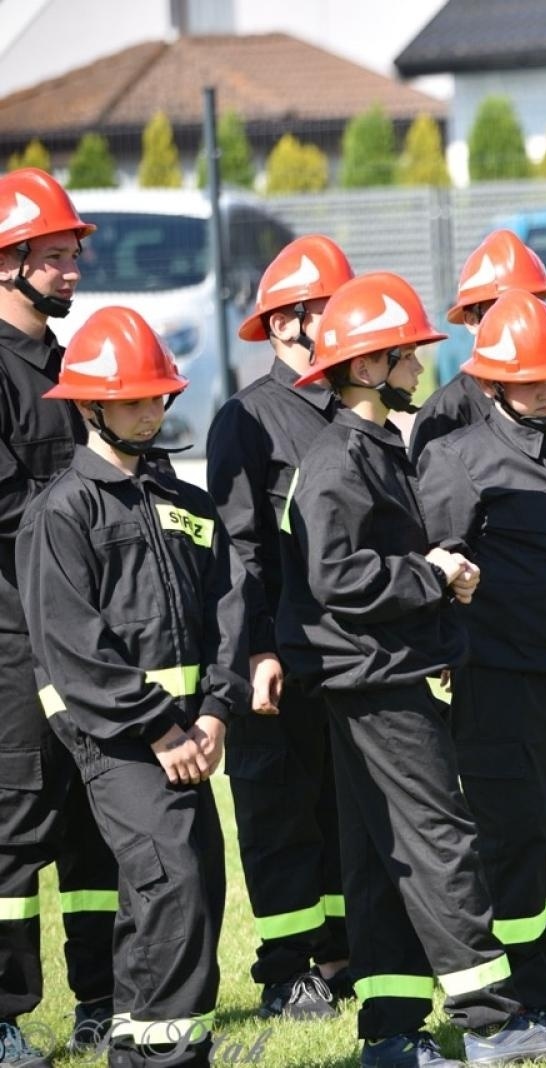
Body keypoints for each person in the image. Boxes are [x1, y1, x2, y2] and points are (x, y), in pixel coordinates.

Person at [276, 271, 546, 1066]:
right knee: (444, 841)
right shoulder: (342, 459)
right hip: (376, 680)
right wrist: (432, 575)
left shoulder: (370, 447)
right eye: (409, 354)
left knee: (385, 856)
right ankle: (494, 1024)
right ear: (372, 366)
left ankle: (389, 1033)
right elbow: (336, 577)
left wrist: (436, 577)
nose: (422, 365)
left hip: (375, 673)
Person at [18, 306, 247, 1068]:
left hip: (189, 734)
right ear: (90, 405)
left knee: (197, 885)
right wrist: (161, 727)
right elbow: (75, 645)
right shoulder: (62, 511)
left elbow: (226, 610)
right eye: (134, 399)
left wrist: (214, 711)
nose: (152, 411)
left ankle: (162, 1048)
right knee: (170, 878)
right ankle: (154, 1058)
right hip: (119, 737)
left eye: (158, 397)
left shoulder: (185, 503)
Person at [418, 291, 546, 1019]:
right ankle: (523, 988)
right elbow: (434, 575)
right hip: (505, 680)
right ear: (491, 381)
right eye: (530, 377)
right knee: (514, 837)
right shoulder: (454, 460)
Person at [206, 234, 355, 1021]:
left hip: (345, 654)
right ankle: (285, 970)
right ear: (290, 322)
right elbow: (240, 550)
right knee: (278, 814)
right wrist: (257, 647)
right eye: (329, 309)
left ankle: (338, 953)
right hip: (278, 656)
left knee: (340, 810)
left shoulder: (352, 410)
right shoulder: (249, 419)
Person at [0, 167, 118, 1066]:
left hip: (88, 627)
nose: (73, 264)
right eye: (55, 253)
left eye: (75, 250)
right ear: (7, 262)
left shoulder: (74, 368)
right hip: (11, 634)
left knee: (95, 817)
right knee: (15, 822)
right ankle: (2, 1016)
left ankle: (102, 1002)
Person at [409, 230, 546, 459]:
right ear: (472, 320)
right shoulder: (446, 412)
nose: (525, 318)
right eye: (504, 309)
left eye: (536, 305)